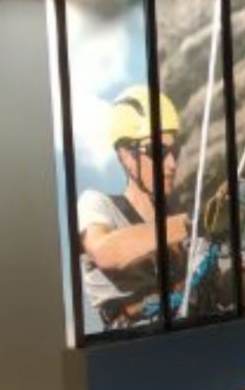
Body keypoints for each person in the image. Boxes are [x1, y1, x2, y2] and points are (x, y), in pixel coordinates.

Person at [78, 85, 220, 330]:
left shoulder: (178, 227)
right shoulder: (97, 204)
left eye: (174, 151)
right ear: (125, 156)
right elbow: (105, 252)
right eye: (158, 151)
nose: (172, 163)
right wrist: (192, 223)